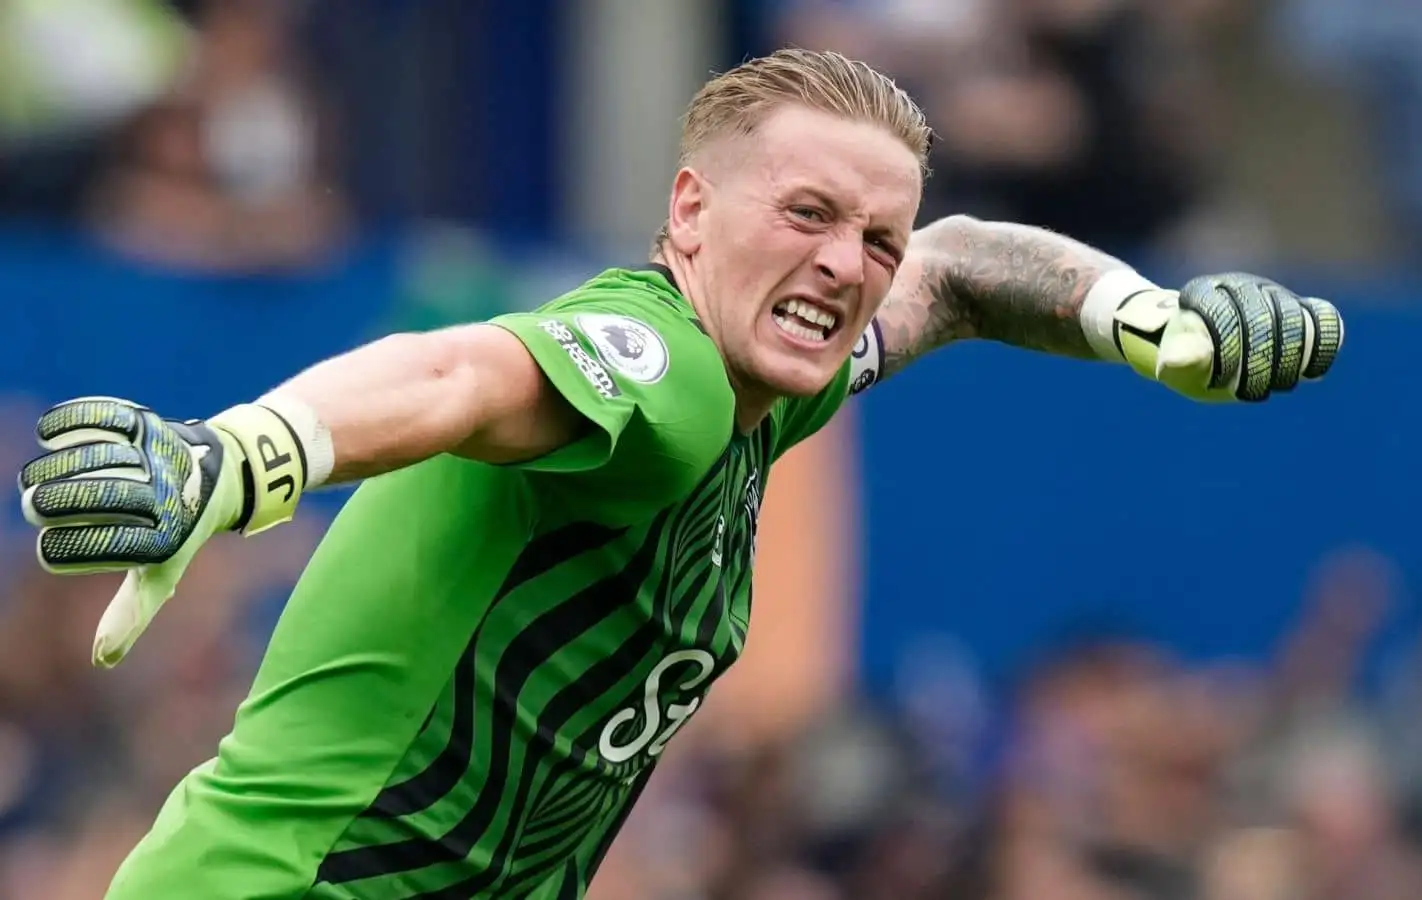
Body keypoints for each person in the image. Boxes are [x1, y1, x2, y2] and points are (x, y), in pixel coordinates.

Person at [16, 49, 1342, 900]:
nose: (848, 263)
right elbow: (456, 374)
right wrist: (245, 455)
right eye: (807, 214)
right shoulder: (668, 371)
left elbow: (960, 269)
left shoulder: (779, 387)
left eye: (872, 235)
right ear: (691, 212)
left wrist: (1144, 320)